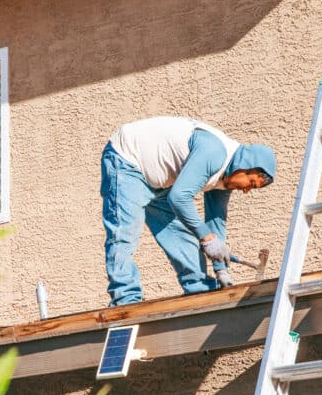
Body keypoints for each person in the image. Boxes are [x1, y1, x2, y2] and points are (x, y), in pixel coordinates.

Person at [101, 116, 276, 306]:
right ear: (246, 165)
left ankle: (201, 293)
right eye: (250, 183)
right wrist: (207, 238)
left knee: (182, 236)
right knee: (124, 233)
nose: (246, 190)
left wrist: (221, 269)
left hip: (162, 180)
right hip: (127, 160)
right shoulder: (214, 153)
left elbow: (215, 223)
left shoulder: (225, 180)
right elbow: (178, 199)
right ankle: (125, 299)